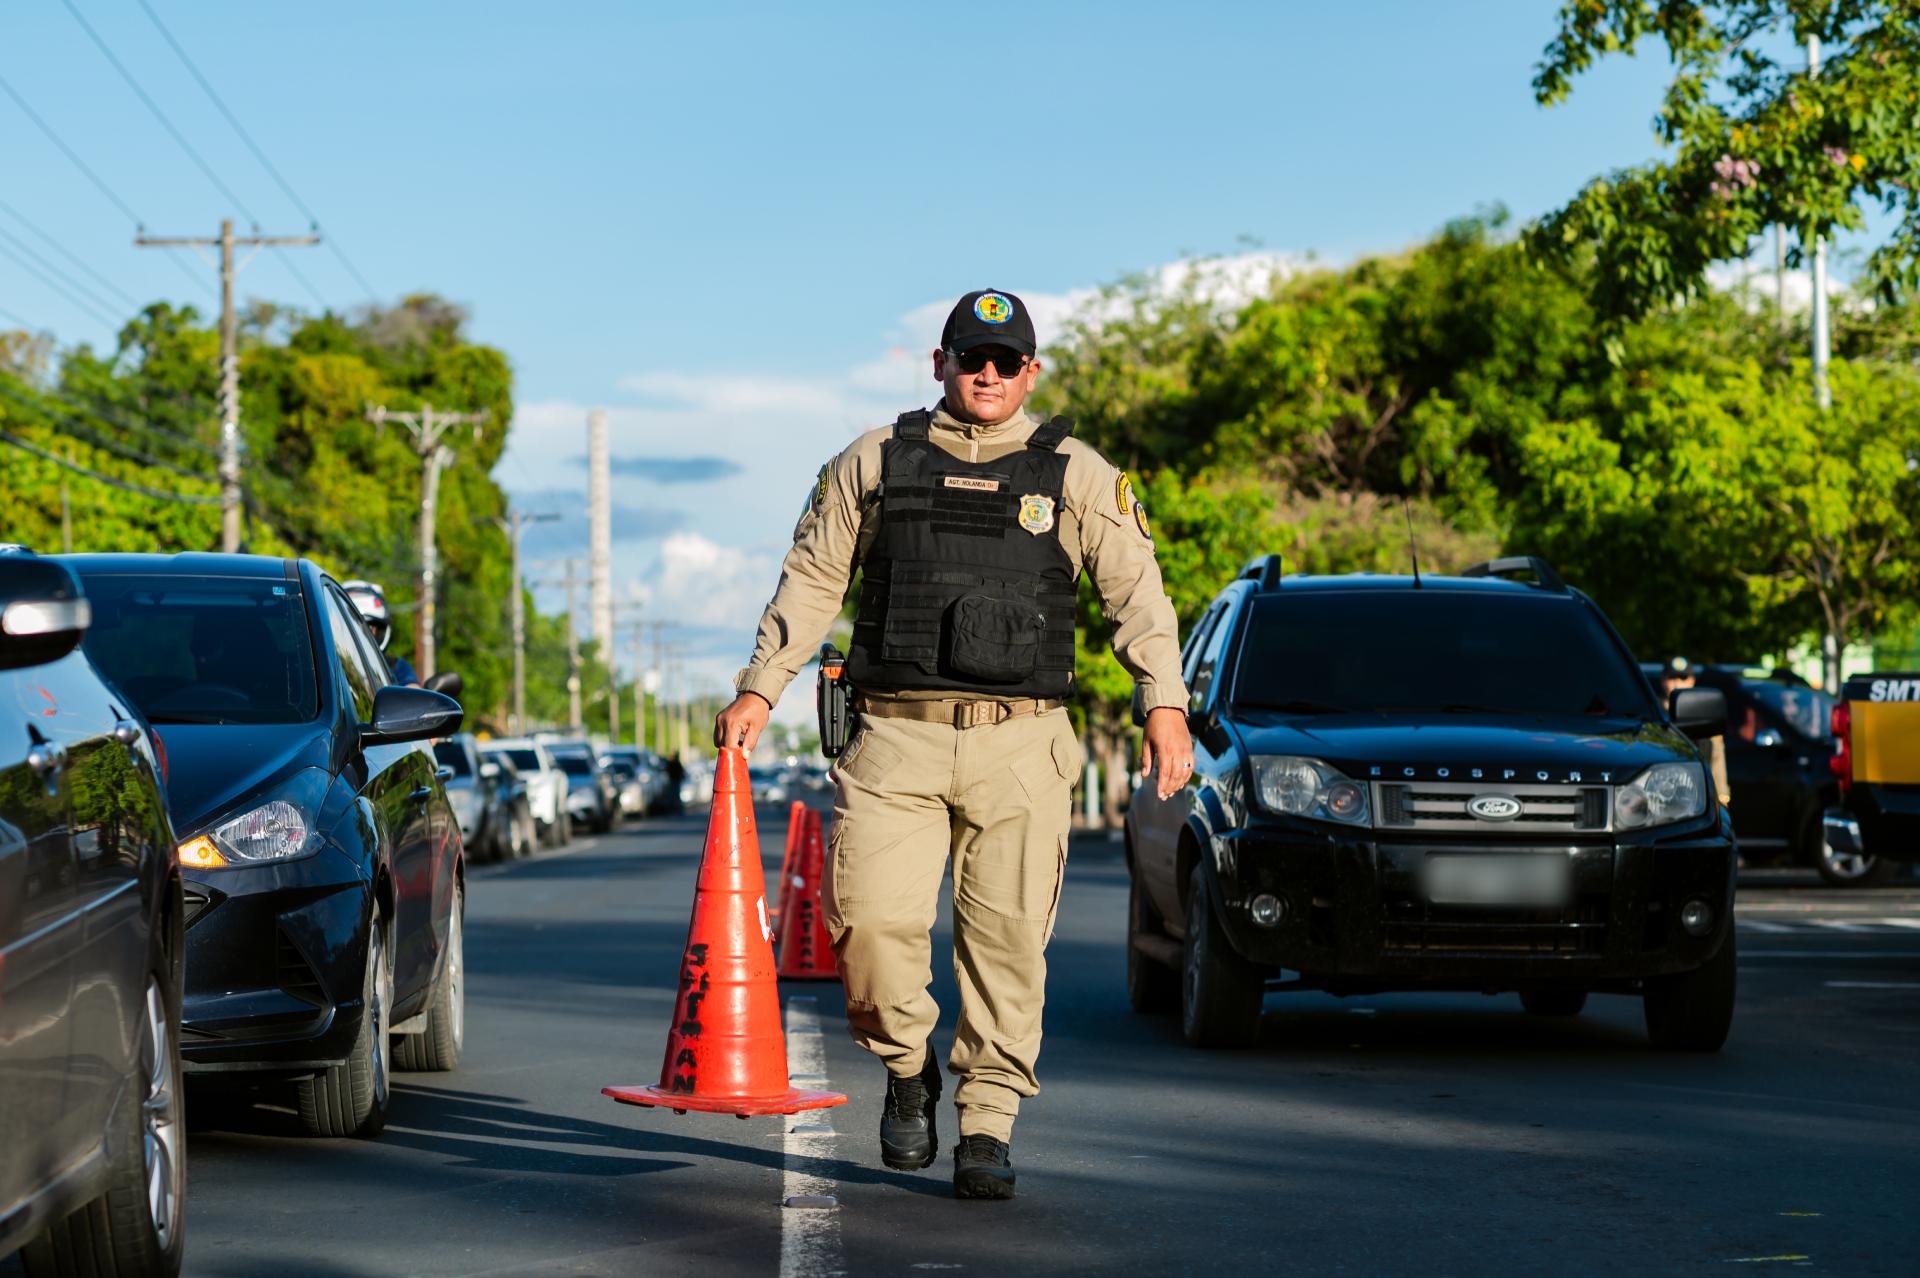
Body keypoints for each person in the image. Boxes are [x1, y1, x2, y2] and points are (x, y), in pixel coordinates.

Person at [713, 289, 1193, 1200]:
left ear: (1031, 373)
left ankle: (988, 1122)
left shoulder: (1078, 473)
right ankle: (907, 1067)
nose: (988, 374)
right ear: (940, 364)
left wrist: (1162, 703)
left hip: (1023, 744)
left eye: (1007, 361)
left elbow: (1138, 592)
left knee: (1007, 943)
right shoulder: (875, 460)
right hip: (895, 737)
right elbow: (812, 577)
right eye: (972, 357)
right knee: (868, 926)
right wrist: (759, 686)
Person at [1659, 656, 1731, 807]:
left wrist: (1722, 798)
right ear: (1662, 680)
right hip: (1660, 793)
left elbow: (1716, 760)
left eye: (1683, 678)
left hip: (1698, 797)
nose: (1677, 683)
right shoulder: (1653, 714)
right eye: (1672, 678)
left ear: (1692, 680)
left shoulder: (1703, 714)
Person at [341, 580, 419, 687]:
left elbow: (412, 691)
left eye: (370, 627)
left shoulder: (396, 668)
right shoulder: (331, 663)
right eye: (353, 627)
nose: (363, 635)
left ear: (381, 631)